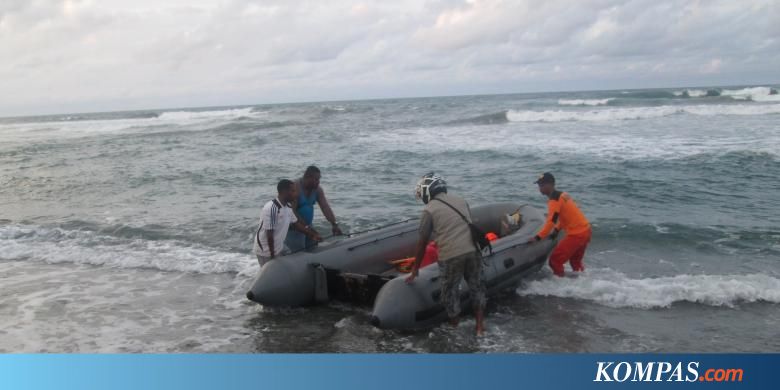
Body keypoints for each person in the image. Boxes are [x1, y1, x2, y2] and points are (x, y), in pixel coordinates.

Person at [405, 173, 486, 335]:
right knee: (477, 287)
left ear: (429, 191)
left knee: (450, 292)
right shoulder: (461, 200)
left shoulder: (429, 210)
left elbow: (422, 242)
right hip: (473, 251)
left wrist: (415, 270)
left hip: (451, 255)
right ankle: (479, 327)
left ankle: (455, 326)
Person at [528, 172, 592, 277]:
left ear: (551, 184)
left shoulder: (554, 200)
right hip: (586, 231)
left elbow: (551, 221)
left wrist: (538, 237)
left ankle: (561, 284)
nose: (540, 188)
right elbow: (565, 216)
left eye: (542, 185)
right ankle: (584, 282)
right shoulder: (563, 195)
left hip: (577, 235)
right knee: (575, 262)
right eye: (539, 185)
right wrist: (557, 230)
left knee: (554, 261)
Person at [254, 179, 321, 266]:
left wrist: (312, 235)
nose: (296, 194)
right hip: (266, 250)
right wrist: (273, 256)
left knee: (290, 258)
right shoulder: (272, 208)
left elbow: (296, 224)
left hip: (280, 246)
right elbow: (269, 235)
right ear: (284, 192)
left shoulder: (288, 207)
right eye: (293, 191)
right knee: (273, 273)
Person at [285, 166, 343, 252]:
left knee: (313, 249)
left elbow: (325, 207)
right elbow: (292, 213)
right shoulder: (295, 188)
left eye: (319, 179)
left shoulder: (317, 190)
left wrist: (334, 224)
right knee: (298, 254)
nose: (318, 182)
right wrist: (308, 229)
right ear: (307, 177)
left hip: (308, 226)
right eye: (316, 179)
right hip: (295, 229)